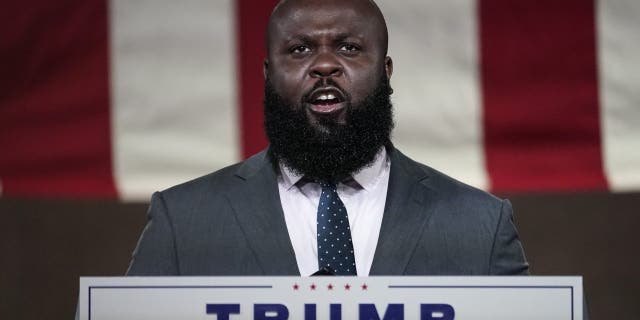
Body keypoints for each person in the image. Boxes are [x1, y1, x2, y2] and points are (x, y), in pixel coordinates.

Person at [126, 0, 529, 277]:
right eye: (300, 49)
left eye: (349, 48)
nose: (323, 65)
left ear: (386, 72)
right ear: (268, 74)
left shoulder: (480, 224)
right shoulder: (182, 221)